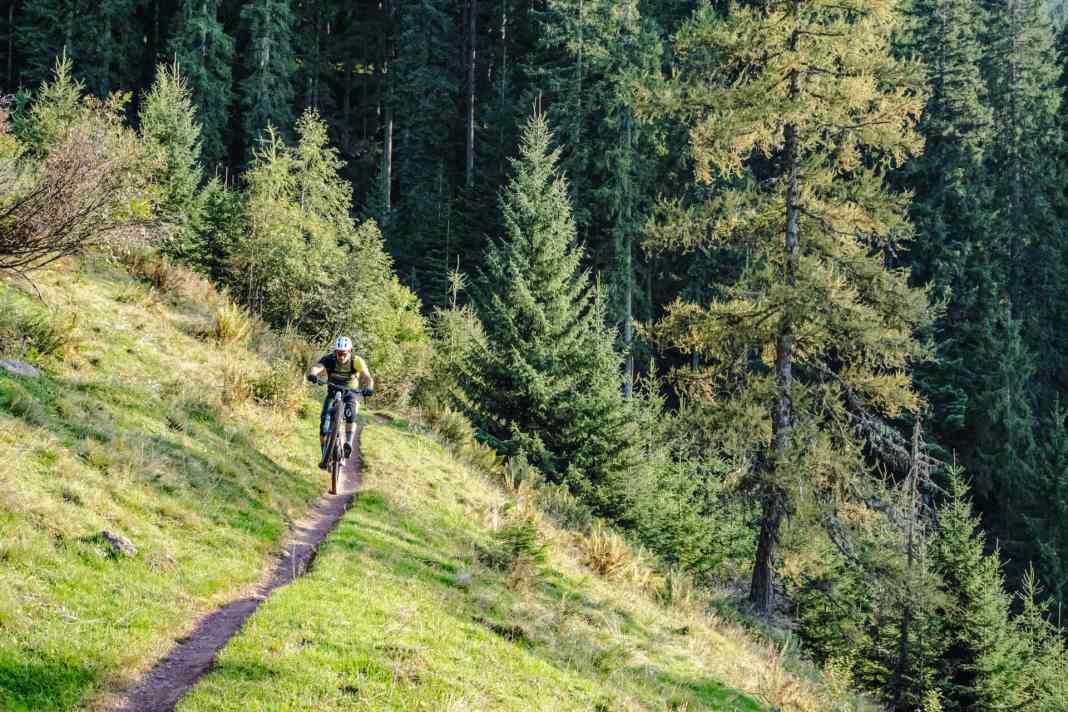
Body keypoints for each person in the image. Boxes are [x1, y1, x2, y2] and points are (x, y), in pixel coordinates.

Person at [306, 336, 374, 468]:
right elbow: (317, 367)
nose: (341, 356)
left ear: (350, 351)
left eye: (344, 353)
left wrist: (369, 388)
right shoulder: (329, 359)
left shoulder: (356, 361)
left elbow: (367, 377)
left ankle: (348, 443)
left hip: (350, 392)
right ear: (335, 352)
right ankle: (324, 456)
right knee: (323, 428)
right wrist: (313, 374)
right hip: (332, 391)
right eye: (338, 352)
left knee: (351, 416)